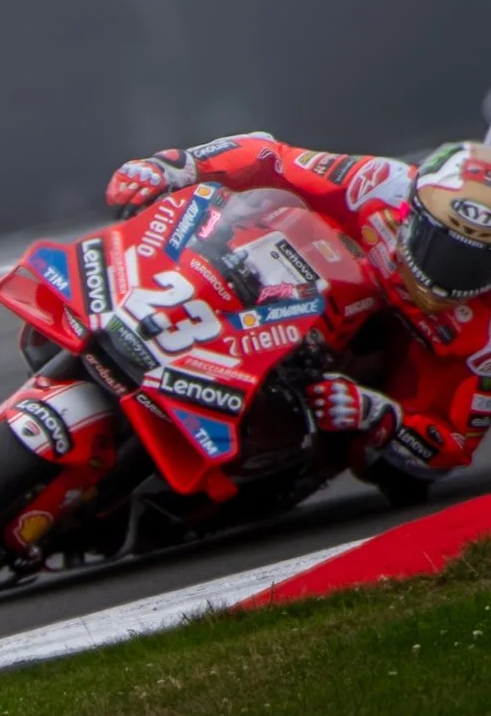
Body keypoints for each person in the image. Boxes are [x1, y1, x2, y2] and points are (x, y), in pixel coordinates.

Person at [105, 134, 491, 494]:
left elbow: (454, 444)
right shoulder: (378, 183)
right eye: (443, 249)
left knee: (395, 476)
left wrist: (378, 414)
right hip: (296, 279)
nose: (448, 275)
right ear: (412, 213)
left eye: (477, 263)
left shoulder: (486, 337)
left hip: (370, 368)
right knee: (252, 214)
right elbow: (271, 155)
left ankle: (265, 448)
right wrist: (177, 165)